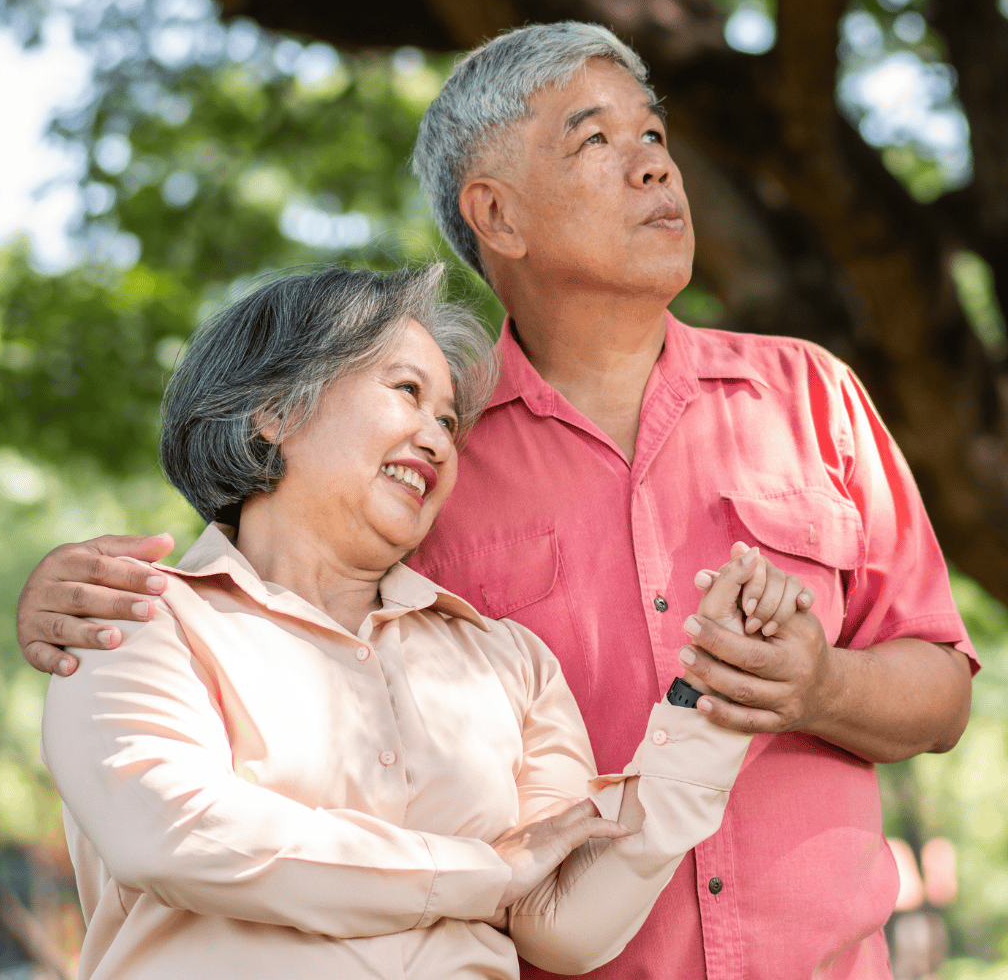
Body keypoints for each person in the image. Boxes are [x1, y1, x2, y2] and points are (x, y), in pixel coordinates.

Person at [19, 24, 977, 979]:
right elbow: (273, 577)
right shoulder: (405, 488)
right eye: (595, 139)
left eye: (654, 135)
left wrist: (808, 690)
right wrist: (72, 593)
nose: (653, 167)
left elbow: (941, 688)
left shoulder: (809, 397)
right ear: (497, 215)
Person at [41, 264, 805, 980]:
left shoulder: (510, 661)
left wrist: (712, 704)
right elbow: (175, 835)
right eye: (406, 392)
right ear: (274, 410)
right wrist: (482, 873)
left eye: (449, 419)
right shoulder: (131, 618)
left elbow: (558, 923)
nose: (440, 436)